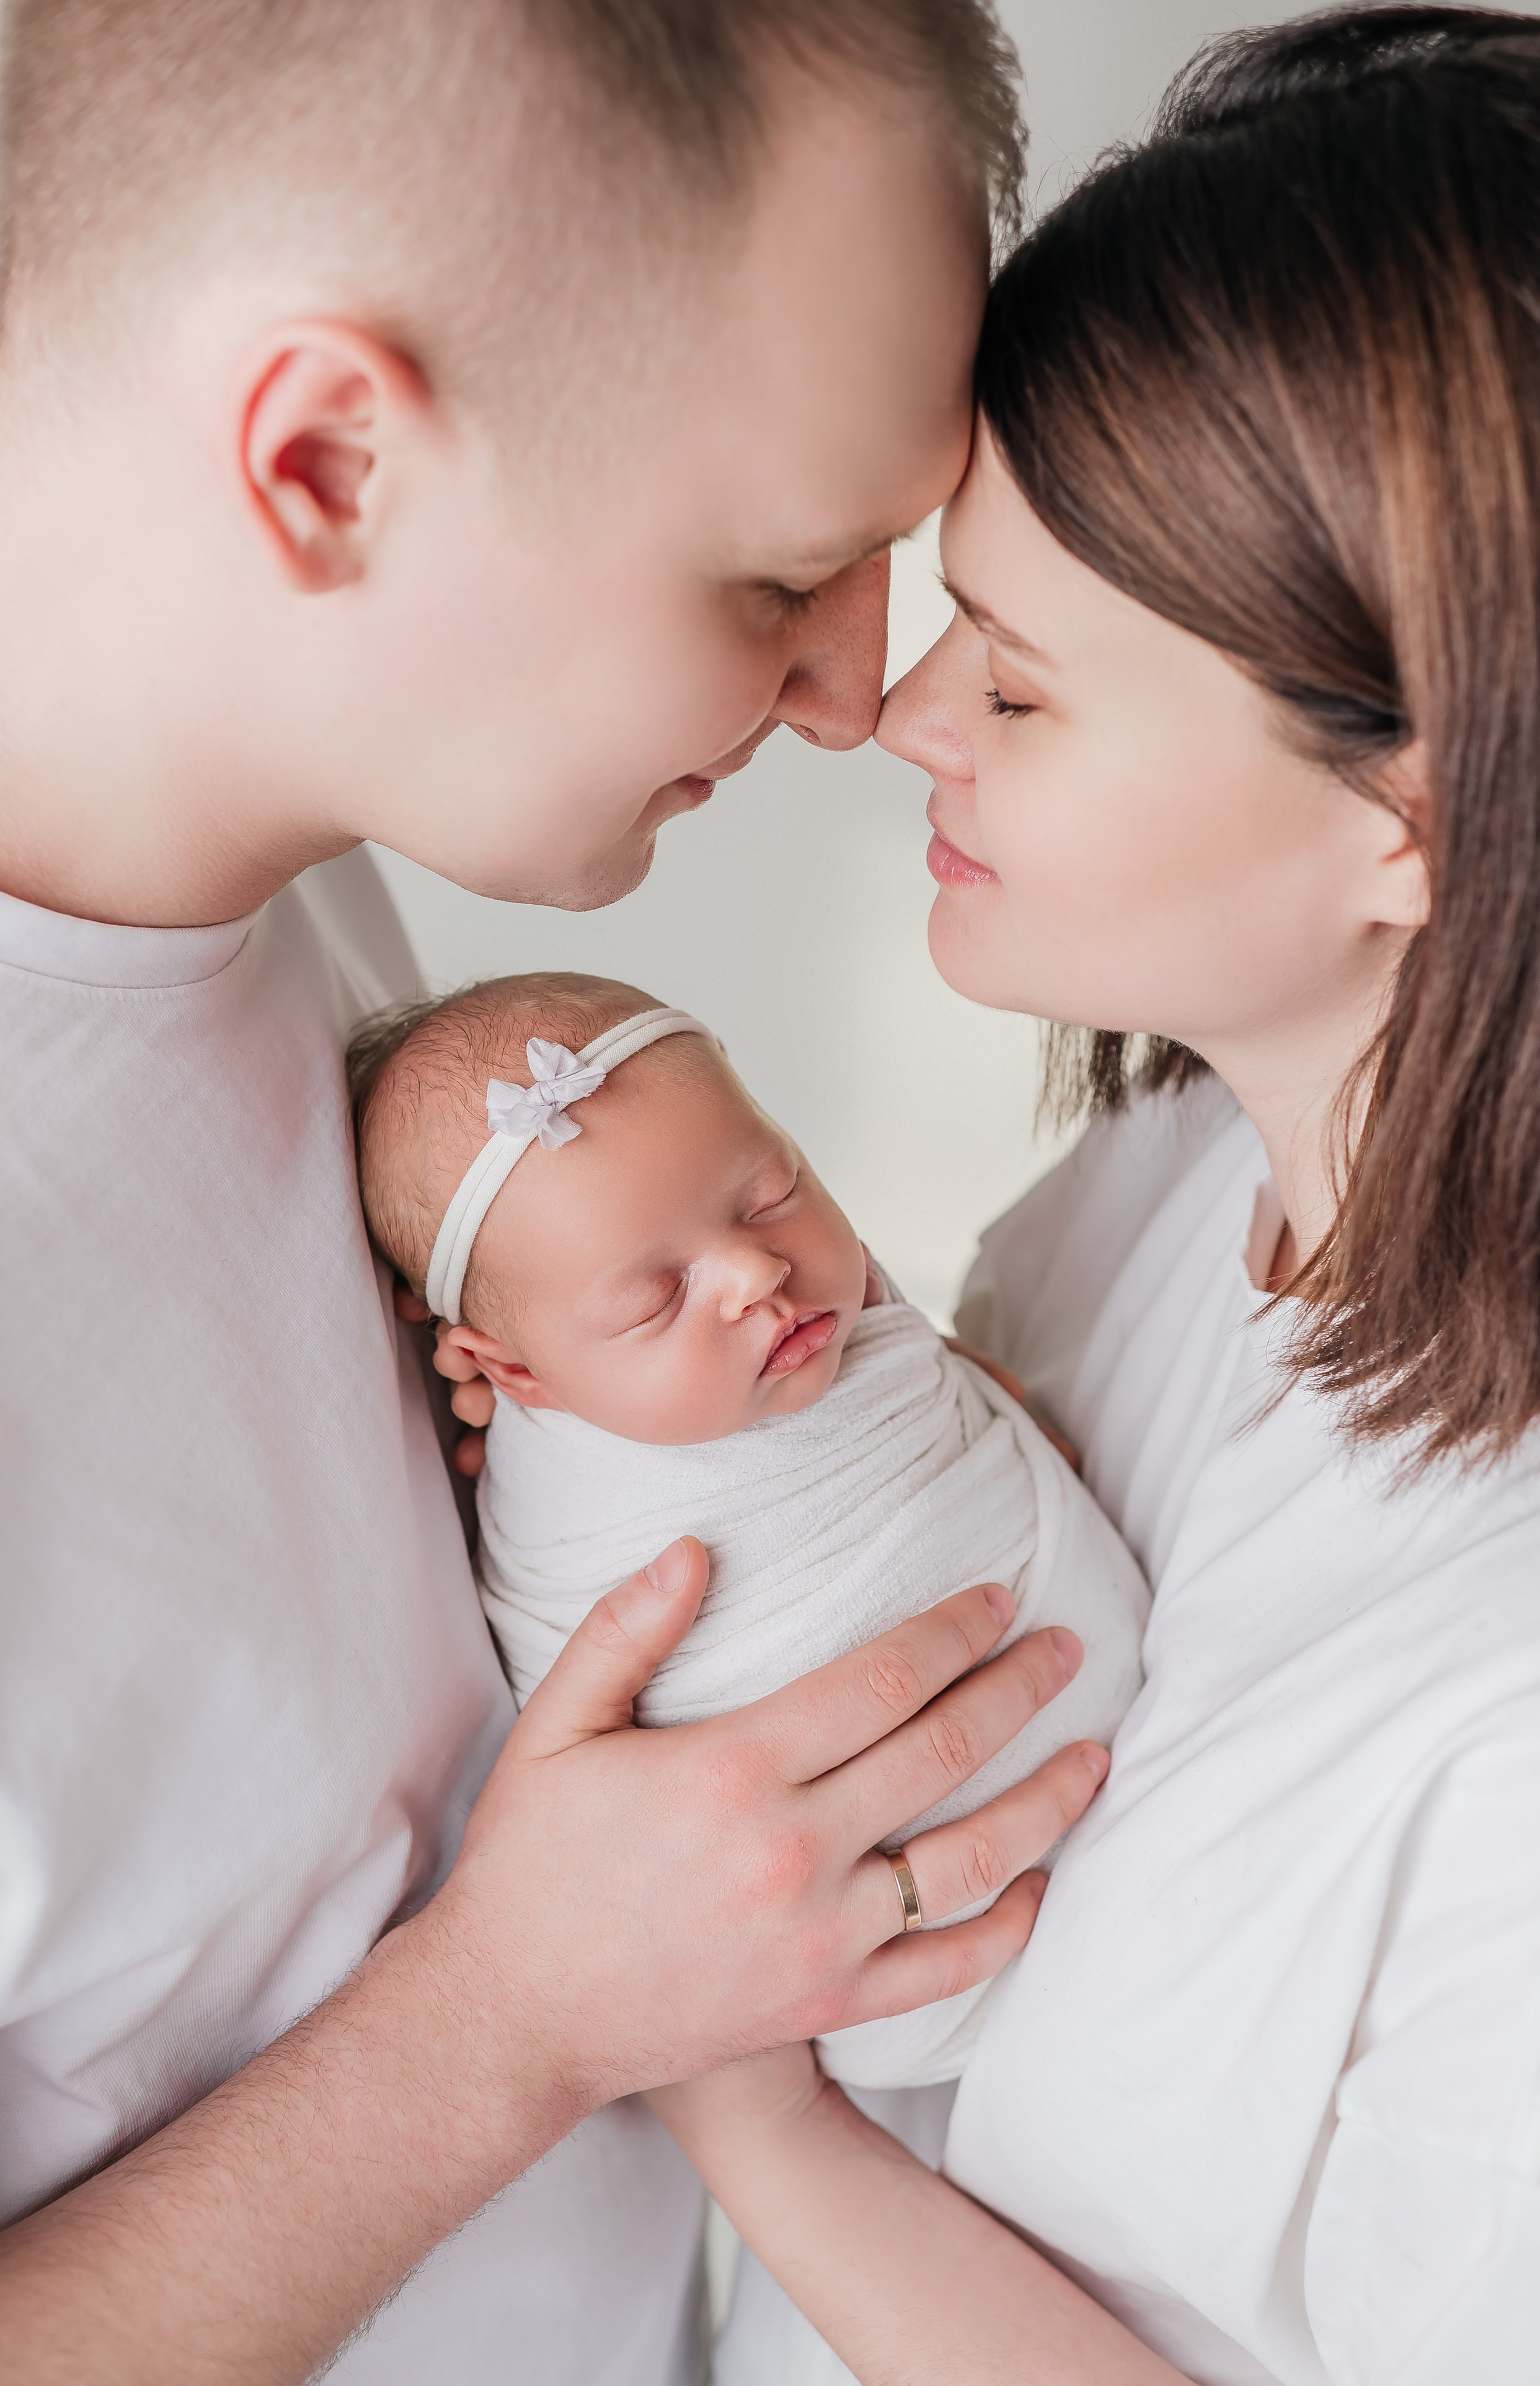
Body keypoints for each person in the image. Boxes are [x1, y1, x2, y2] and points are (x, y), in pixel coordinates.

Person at [0, 6, 1110, 2381]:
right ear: (323, 464)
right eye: (777, 573)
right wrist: (502, 2027)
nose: (851, 690)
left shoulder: (300, 913)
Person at [653, 14, 1540, 2385]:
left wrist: (730, 2094)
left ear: (1421, 815)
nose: (900, 709)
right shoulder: (1156, 1203)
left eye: (1031, 685)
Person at [347, 969, 1148, 2089]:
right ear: (516, 1372)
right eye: (653, 1301)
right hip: (908, 1942)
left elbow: (910, 1363)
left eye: (771, 1193)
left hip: (1155, 1761)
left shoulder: (821, 1306)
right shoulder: (569, 1524)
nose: (756, 1273)